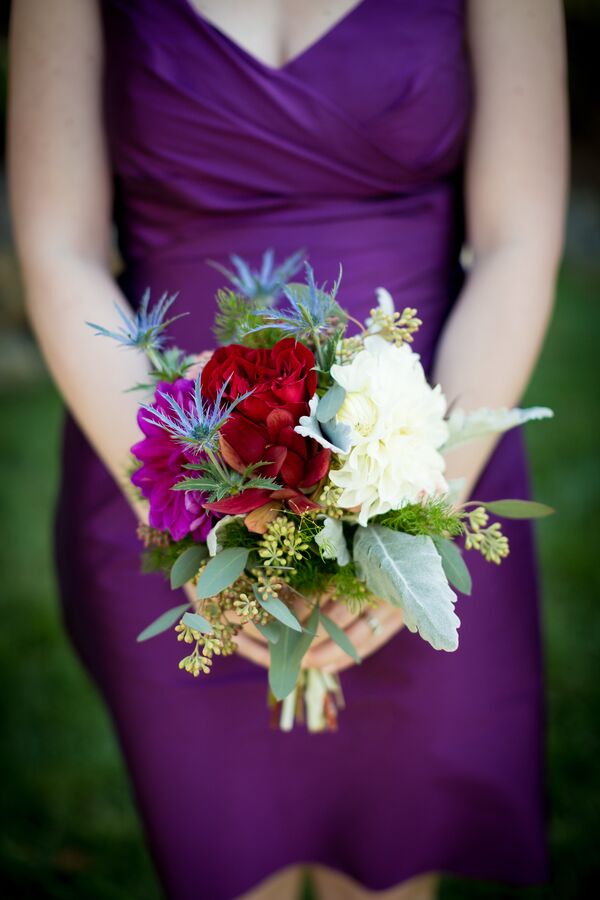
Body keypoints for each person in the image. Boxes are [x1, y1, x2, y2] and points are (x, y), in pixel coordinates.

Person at [7, 1, 567, 898]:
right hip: (157, 466)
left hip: (430, 459)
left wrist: (412, 524)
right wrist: (194, 519)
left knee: (393, 870)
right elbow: (58, 249)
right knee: (224, 862)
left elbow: (517, 241)